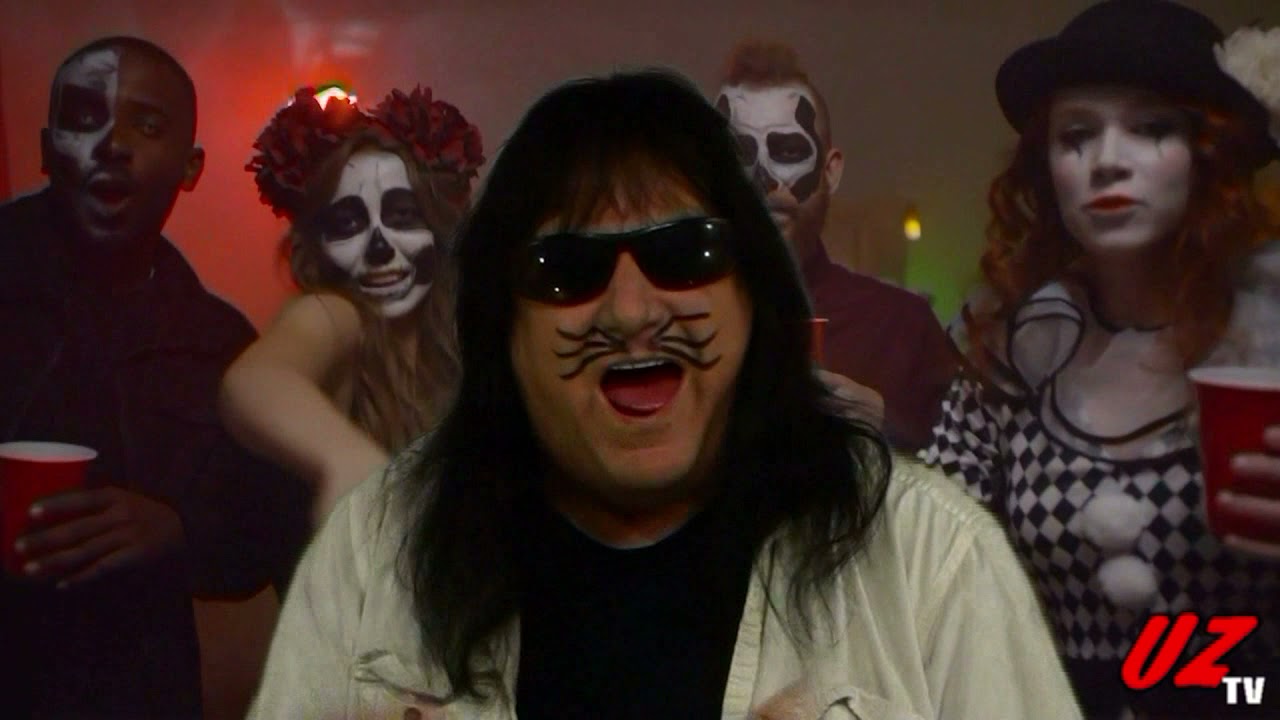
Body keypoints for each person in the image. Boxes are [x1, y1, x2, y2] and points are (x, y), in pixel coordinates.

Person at [249, 69, 1080, 720]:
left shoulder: (933, 562)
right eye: (567, 270)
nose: (632, 311)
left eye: (685, 254)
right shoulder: (374, 554)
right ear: (504, 326)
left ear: (754, 299)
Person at [921, 2, 1280, 717]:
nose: (1108, 160)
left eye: (1151, 128)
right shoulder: (1011, 354)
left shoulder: (1267, 339)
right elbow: (924, 548)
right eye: (1077, 135)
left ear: (1207, 155)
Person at [0, 36, 310, 717]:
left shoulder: (219, 344)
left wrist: (177, 529)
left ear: (190, 167)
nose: (112, 143)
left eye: (145, 125)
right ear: (48, 149)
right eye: (85, 118)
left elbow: (267, 535)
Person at [221, 85, 481, 522]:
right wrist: (346, 461)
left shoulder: (465, 338)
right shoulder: (335, 312)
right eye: (348, 224)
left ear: (437, 230)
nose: (379, 247)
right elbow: (256, 380)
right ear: (317, 247)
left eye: (402, 216)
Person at [714, 41, 959, 451]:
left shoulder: (902, 326)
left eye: (788, 151)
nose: (762, 179)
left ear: (830, 172)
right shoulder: (677, 316)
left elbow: (970, 475)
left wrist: (883, 425)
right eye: (737, 155)